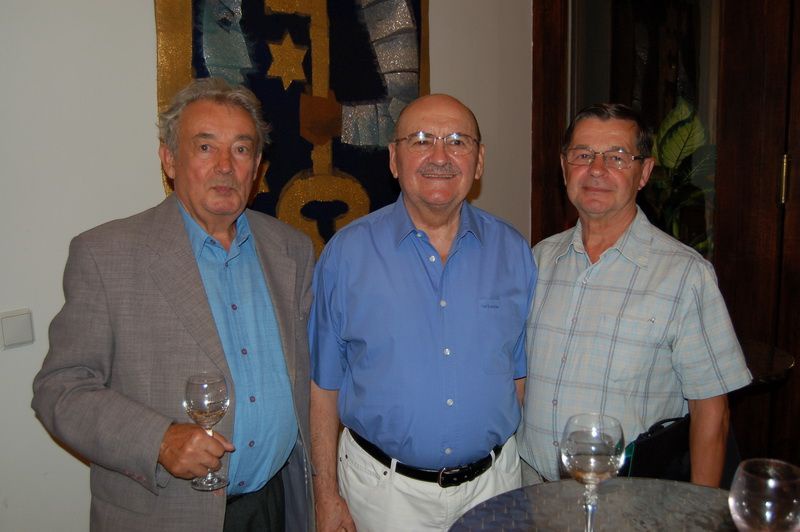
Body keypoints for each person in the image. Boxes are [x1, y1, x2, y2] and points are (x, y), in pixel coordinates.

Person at [32, 78, 315, 532]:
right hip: (167, 514)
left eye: (242, 149)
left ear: (257, 166)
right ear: (169, 159)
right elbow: (60, 388)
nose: (225, 166)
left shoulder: (292, 250)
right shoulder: (106, 254)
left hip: (275, 505)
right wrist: (158, 440)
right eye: (205, 147)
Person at [308, 94, 537, 532]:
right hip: (383, 497)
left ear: (479, 161)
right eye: (420, 140)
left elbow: (518, 377)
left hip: (494, 487)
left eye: (457, 141)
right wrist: (325, 496)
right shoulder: (346, 256)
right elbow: (323, 388)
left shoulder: (513, 252)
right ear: (394, 159)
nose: (440, 157)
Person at [517, 103, 752, 488]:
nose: (597, 169)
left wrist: (699, 513)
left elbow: (712, 413)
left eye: (617, 157)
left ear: (644, 172)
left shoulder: (685, 275)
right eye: (583, 155)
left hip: (628, 501)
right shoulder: (538, 260)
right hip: (532, 491)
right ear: (564, 167)